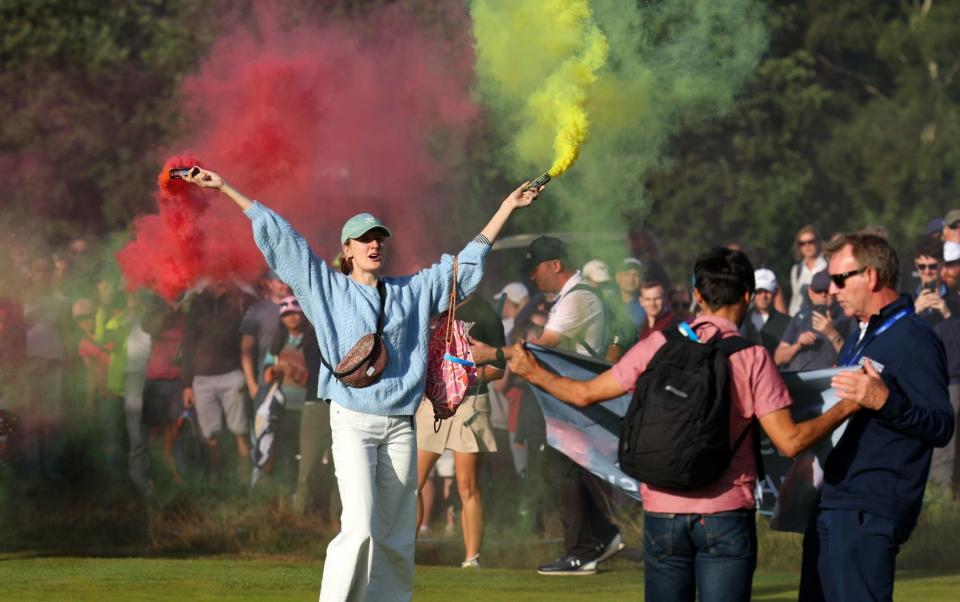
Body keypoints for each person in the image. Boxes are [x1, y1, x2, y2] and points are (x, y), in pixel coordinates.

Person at [181, 166, 538, 602]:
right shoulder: (324, 287)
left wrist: (506, 207)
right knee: (362, 527)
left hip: (401, 425)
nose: (374, 244)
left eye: (379, 238)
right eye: (365, 238)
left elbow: (462, 267)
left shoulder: (411, 290)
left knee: (395, 533)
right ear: (346, 250)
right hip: (351, 421)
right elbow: (282, 238)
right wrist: (226, 188)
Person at [508, 246, 860, 602]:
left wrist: (532, 372)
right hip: (725, 511)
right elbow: (790, 441)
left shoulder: (658, 344)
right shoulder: (751, 357)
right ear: (749, 296)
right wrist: (848, 405)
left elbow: (584, 395)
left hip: (662, 508)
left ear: (696, 295)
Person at [798, 232, 955, 602]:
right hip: (832, 497)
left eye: (840, 279)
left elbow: (941, 425)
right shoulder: (856, 337)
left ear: (871, 276)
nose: (832, 290)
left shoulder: (915, 338)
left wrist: (885, 402)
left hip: (870, 504)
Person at [472, 236, 623, 576]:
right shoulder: (577, 294)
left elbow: (541, 348)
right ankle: (601, 538)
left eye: (535, 269)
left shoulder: (577, 299)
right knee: (565, 471)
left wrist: (491, 354)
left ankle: (583, 550)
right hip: (574, 398)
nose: (532, 277)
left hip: (576, 400)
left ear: (555, 265)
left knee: (561, 471)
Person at [415, 294, 506, 568]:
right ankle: (404, 551)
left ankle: (471, 559)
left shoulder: (486, 313)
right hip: (433, 403)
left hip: (471, 402)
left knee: (467, 485)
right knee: (412, 484)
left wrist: (463, 374)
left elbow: (498, 369)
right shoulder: (430, 307)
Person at [180, 279, 257, 475]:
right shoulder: (197, 302)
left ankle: (244, 480)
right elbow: (188, 346)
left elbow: (249, 339)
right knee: (210, 434)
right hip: (202, 380)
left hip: (232, 375)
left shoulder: (240, 299)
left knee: (240, 430)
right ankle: (217, 478)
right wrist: (187, 385)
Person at [774, 270, 849, 371]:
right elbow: (778, 358)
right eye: (818, 291)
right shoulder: (800, 317)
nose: (823, 295)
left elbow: (851, 357)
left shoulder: (846, 318)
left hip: (829, 381)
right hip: (799, 381)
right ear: (810, 292)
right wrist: (798, 345)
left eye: (827, 290)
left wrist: (831, 332)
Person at [240, 269, 293, 399]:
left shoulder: (303, 307)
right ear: (269, 284)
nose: (285, 285)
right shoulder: (257, 311)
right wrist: (252, 385)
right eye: (280, 281)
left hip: (296, 384)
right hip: (266, 383)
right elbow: (246, 349)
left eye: (287, 281)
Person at [910, 237, 958, 327]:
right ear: (916, 265)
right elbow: (898, 337)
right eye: (922, 266)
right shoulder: (907, 301)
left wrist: (947, 314)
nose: (927, 271)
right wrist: (914, 312)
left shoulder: (955, 300)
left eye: (932, 266)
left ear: (942, 264)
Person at [741, 268, 790, 356]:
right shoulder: (741, 321)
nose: (763, 296)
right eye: (759, 292)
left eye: (767, 291)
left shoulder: (787, 323)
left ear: (775, 293)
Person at [789, 226, 828, 316]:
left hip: (825, 315)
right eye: (802, 243)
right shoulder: (796, 270)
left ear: (818, 242)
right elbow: (796, 298)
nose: (807, 246)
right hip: (802, 317)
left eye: (811, 242)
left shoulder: (828, 264)